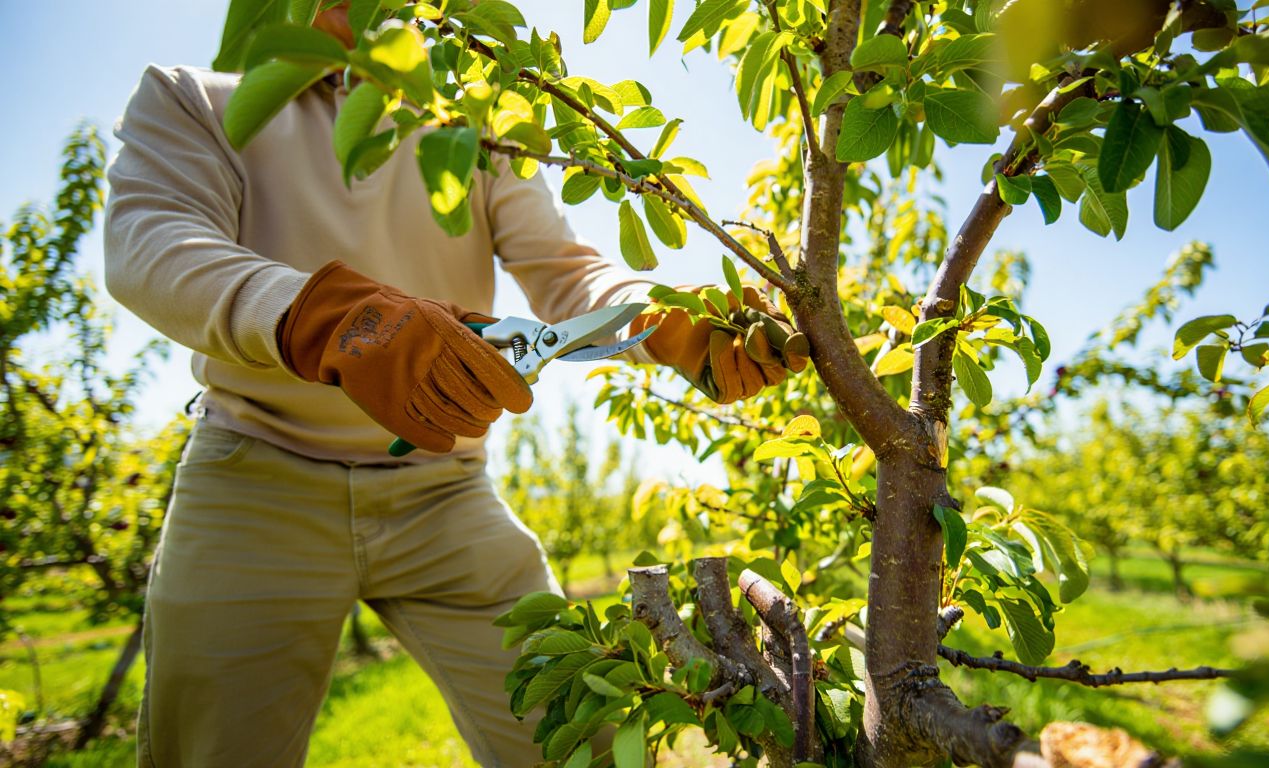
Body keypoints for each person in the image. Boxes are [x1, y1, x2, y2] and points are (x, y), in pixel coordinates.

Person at [103, 3, 807, 767]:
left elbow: (565, 272)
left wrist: (663, 322)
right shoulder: (195, 99)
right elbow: (154, 241)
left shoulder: (473, 126)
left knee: (577, 738)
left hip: (441, 491)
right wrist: (323, 316)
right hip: (253, 480)